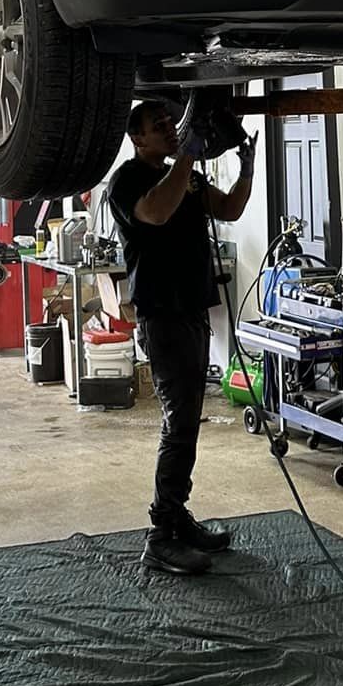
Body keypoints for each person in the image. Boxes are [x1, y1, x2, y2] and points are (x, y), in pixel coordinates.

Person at [107, 100, 255, 576]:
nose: (171, 130)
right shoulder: (127, 181)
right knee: (179, 423)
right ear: (137, 138)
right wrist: (188, 157)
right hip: (162, 315)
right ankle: (161, 536)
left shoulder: (184, 175)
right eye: (159, 126)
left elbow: (229, 208)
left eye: (172, 123)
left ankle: (176, 517)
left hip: (192, 309)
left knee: (188, 419)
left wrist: (247, 169)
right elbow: (155, 213)